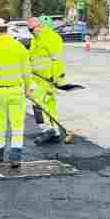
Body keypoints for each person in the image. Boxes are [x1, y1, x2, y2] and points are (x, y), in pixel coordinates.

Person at [0, 17, 33, 168]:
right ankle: (15, 157)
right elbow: (27, 71)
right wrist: (28, 89)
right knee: (17, 125)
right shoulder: (19, 47)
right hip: (16, 91)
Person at [27, 16, 66, 145]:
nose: (31, 32)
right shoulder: (35, 40)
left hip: (48, 79)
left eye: (32, 29)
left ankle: (47, 129)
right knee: (46, 105)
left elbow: (57, 60)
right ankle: (55, 132)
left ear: (40, 26)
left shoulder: (52, 37)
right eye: (29, 30)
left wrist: (56, 78)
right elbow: (32, 58)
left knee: (40, 104)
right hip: (37, 79)